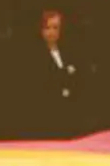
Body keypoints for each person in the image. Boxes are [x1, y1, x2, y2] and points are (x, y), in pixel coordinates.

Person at [25, 8, 99, 139]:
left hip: (70, 115)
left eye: (55, 28)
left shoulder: (68, 52)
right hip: (46, 116)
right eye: (47, 28)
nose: (51, 32)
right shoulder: (33, 55)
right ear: (41, 30)